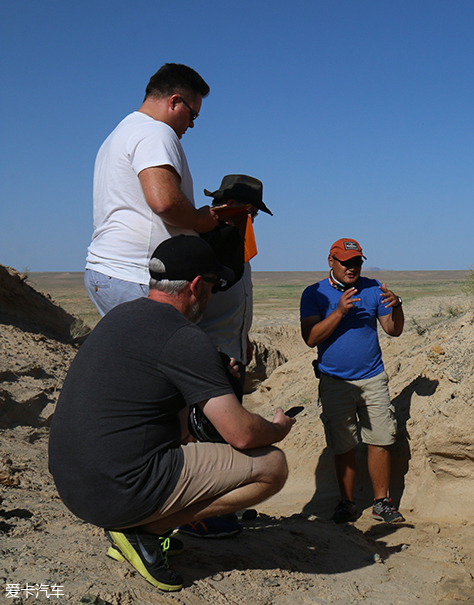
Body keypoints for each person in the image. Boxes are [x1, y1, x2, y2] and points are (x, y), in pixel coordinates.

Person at [50, 235, 295, 592]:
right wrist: (276, 428)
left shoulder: (121, 316)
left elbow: (160, 405)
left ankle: (138, 522)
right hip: (115, 493)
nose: (212, 295)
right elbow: (241, 434)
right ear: (197, 285)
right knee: (272, 466)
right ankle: (146, 531)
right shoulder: (183, 336)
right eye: (212, 284)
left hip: (75, 487)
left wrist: (212, 378)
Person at [85, 63, 219, 316]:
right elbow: (164, 202)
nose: (191, 125)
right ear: (174, 102)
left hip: (114, 272)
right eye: (193, 115)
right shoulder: (155, 132)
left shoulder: (122, 132)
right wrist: (199, 221)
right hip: (136, 274)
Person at [182, 174, 274, 539]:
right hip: (211, 361)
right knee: (205, 440)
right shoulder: (207, 246)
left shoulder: (236, 244)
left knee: (219, 440)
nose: (250, 218)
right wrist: (212, 355)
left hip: (232, 353)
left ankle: (222, 505)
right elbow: (186, 310)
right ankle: (199, 516)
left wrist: (243, 337)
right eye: (249, 211)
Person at [299, 238, 406, 524]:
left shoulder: (373, 288)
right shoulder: (314, 293)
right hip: (335, 382)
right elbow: (310, 338)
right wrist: (339, 312)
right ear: (331, 261)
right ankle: (346, 503)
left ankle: (381, 502)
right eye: (346, 262)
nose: (352, 267)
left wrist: (397, 306)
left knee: (380, 440)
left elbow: (393, 330)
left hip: (372, 378)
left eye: (357, 261)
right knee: (343, 443)